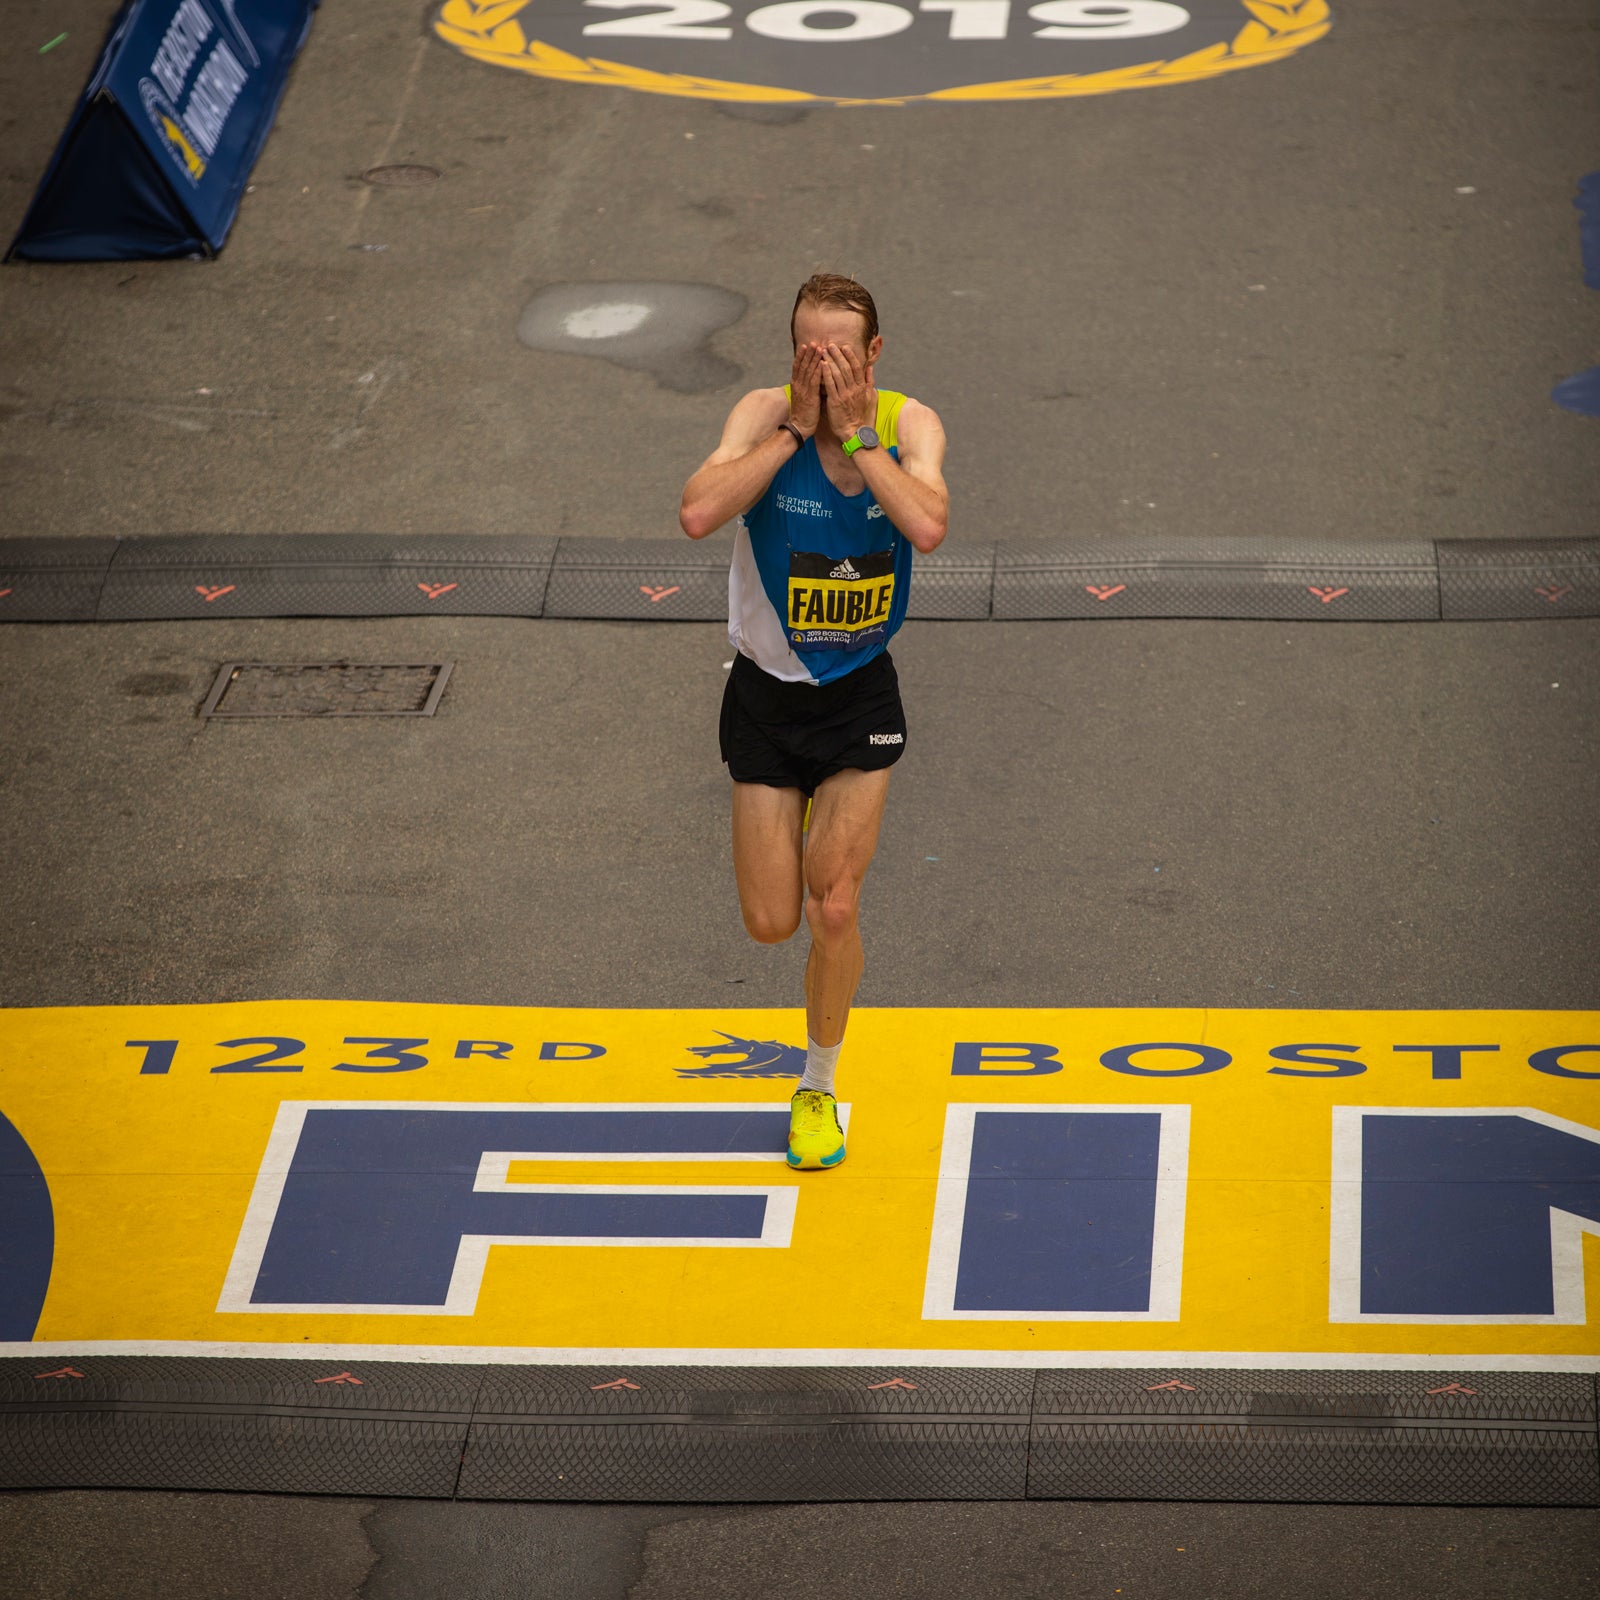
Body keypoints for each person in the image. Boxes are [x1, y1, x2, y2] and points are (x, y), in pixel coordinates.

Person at [679, 274, 948, 1170]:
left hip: (859, 696)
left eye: (841, 352)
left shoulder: (910, 424)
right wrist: (796, 425)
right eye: (808, 349)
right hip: (765, 696)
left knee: (834, 906)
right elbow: (697, 512)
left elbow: (928, 525)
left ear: (872, 355)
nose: (823, 368)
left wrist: (862, 435)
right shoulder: (763, 413)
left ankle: (819, 1087)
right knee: (771, 922)